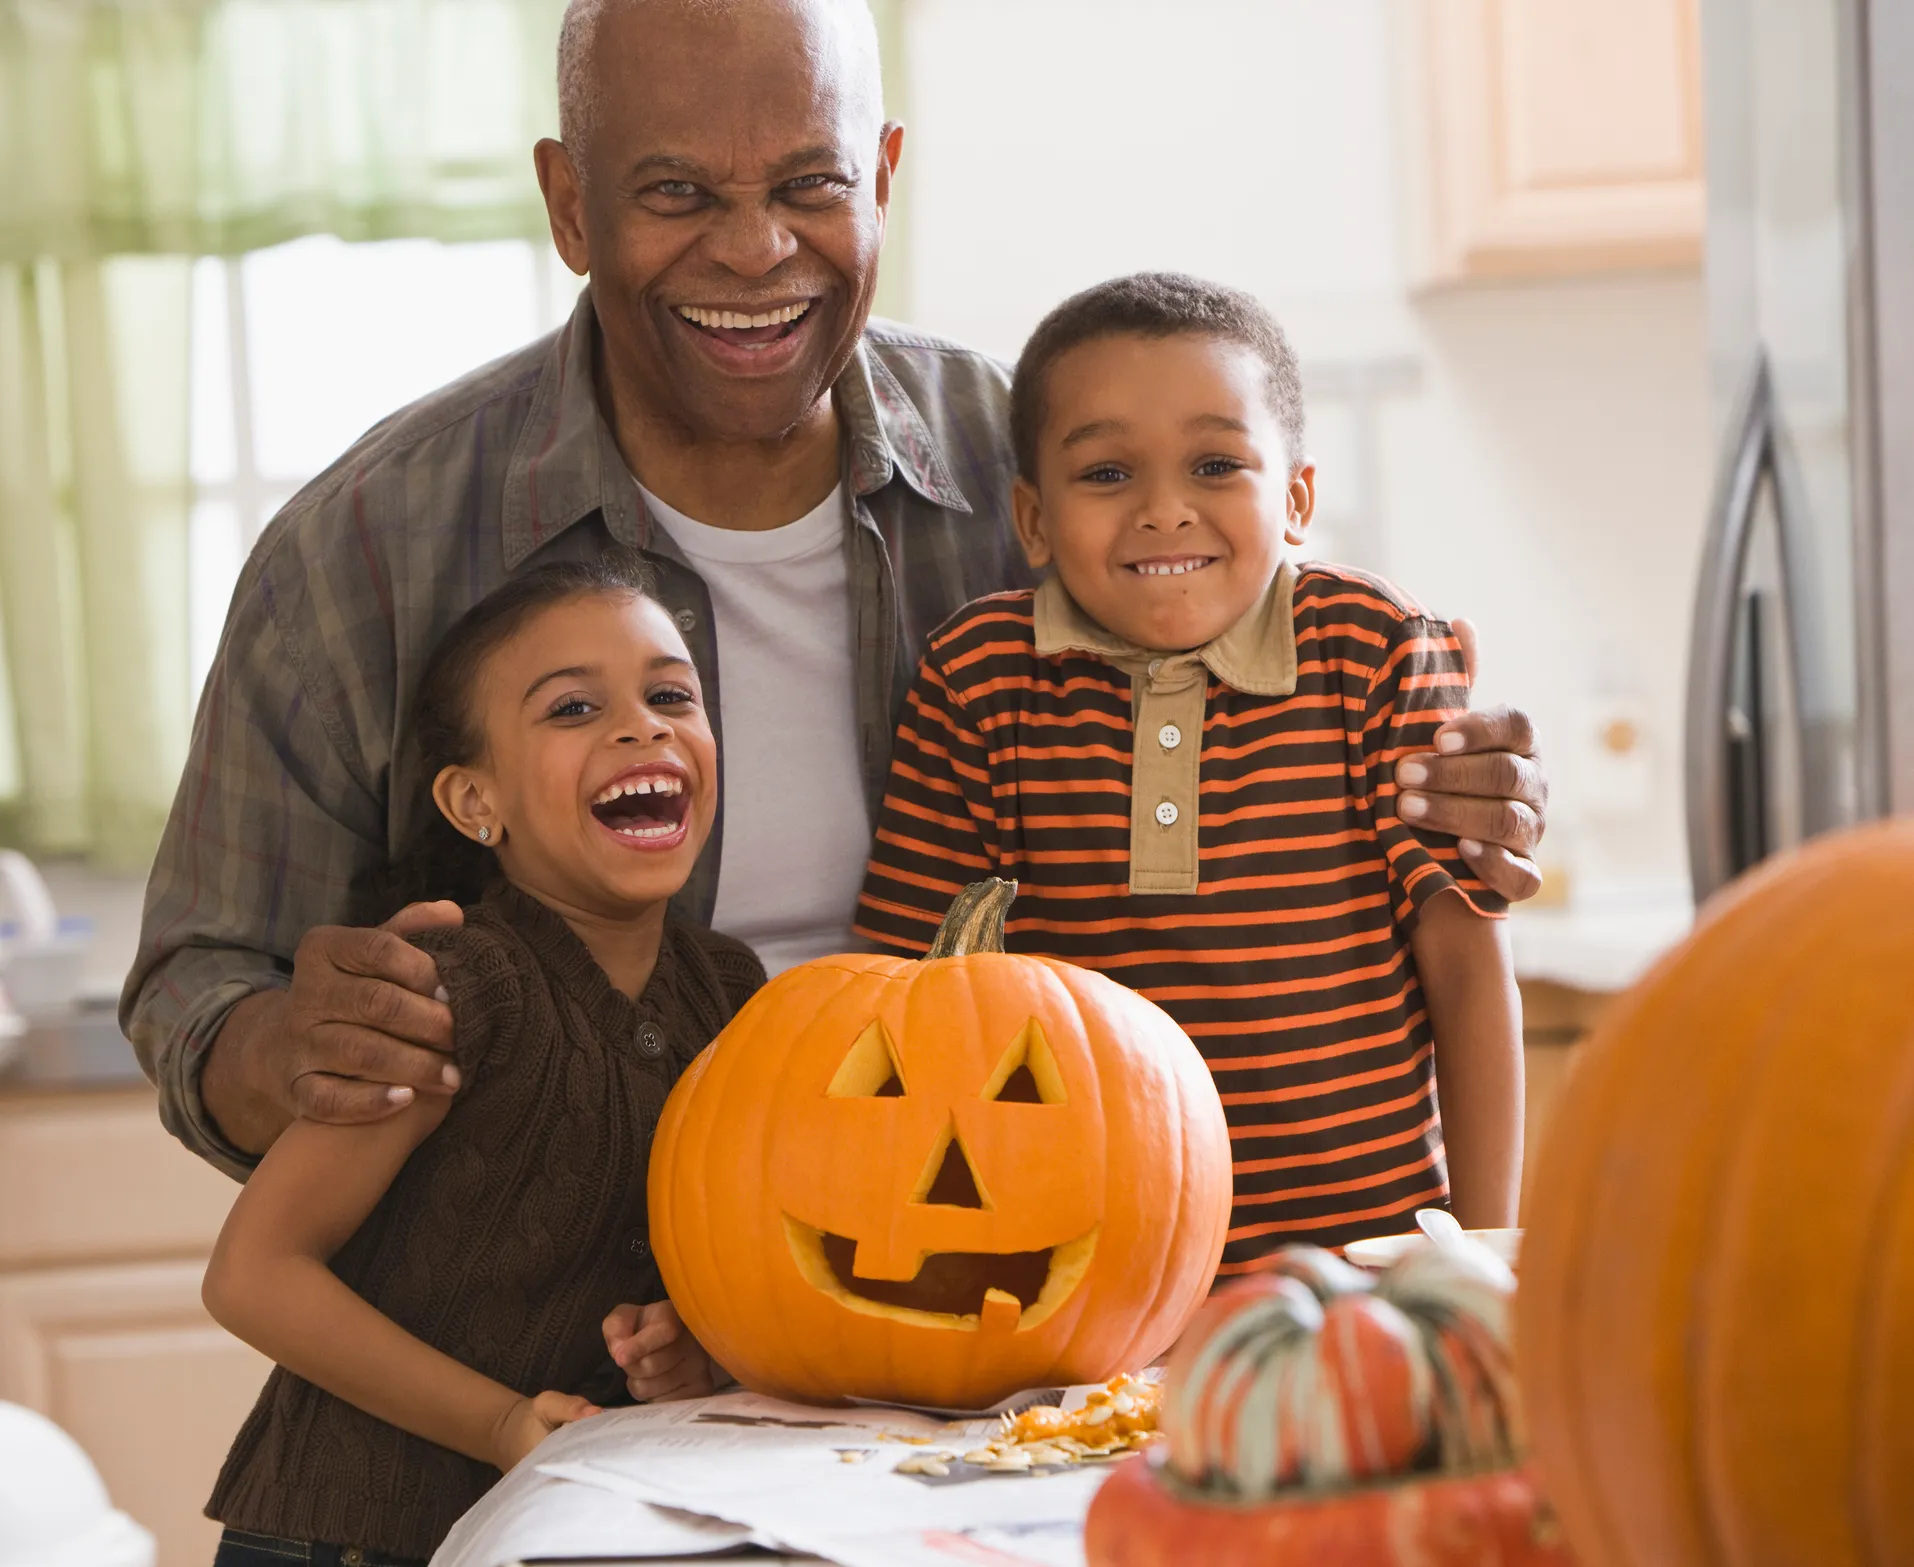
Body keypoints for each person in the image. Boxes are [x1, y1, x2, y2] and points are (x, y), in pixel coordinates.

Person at [123, 0, 1549, 1183]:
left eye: (808, 183)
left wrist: (1456, 777)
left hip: (955, 1289)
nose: (753, 251)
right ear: (569, 203)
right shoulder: (369, 545)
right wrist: (290, 1048)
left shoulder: (1039, 466)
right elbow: (200, 978)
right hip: (499, 1359)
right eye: (675, 192)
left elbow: (1279, 642)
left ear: (881, 177)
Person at [855, 275, 1524, 1272]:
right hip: (1088, 1280)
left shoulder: (1374, 649)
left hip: (1371, 1275)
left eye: (1216, 464)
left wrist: (1484, 1254)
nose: (1165, 512)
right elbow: (912, 1002)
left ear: (1295, 497)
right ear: (1033, 522)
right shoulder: (978, 681)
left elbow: (1467, 971)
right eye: (1108, 475)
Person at [198, 557, 758, 1564]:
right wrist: (501, 1424)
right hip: (343, 1535)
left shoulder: (729, 992)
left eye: (671, 694)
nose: (643, 726)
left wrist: (692, 1348)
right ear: (473, 800)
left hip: (548, 1526)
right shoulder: (447, 988)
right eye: (574, 707)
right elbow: (253, 1274)